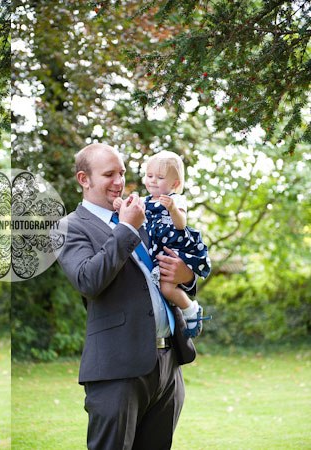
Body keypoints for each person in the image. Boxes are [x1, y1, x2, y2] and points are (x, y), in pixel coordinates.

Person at [55, 143, 203, 450]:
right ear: (84, 179)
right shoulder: (70, 227)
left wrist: (186, 277)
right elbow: (88, 280)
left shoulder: (142, 216)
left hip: (168, 363)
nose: (119, 181)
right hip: (116, 369)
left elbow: (174, 268)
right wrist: (125, 228)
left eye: (121, 172)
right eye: (109, 174)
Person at [113, 150, 211, 337]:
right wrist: (120, 205)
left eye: (160, 177)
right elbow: (131, 211)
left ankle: (191, 310)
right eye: (149, 176)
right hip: (155, 247)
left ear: (175, 184)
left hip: (173, 246)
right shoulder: (144, 200)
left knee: (166, 287)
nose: (152, 181)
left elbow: (181, 224)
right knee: (155, 285)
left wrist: (173, 209)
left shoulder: (176, 200)